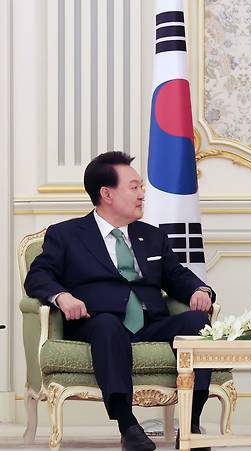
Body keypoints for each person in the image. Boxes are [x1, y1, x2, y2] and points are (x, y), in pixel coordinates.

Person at [25, 151, 214, 451]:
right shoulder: (67, 235)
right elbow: (38, 276)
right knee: (107, 326)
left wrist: (199, 291)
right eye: (134, 187)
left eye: (141, 187)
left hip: (151, 322)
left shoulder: (152, 236)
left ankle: (191, 424)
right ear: (106, 194)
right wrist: (62, 297)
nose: (142, 194)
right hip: (98, 323)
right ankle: (128, 425)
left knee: (198, 323)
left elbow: (177, 276)